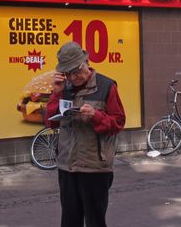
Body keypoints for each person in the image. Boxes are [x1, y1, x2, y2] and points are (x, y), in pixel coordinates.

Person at [45, 41, 126, 227]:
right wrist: (56, 94)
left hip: (94, 167)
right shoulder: (63, 88)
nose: (72, 78)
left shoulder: (106, 86)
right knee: (69, 221)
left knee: (95, 221)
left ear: (86, 63)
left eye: (76, 71)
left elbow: (118, 122)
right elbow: (51, 122)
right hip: (67, 166)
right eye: (67, 73)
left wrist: (96, 116)